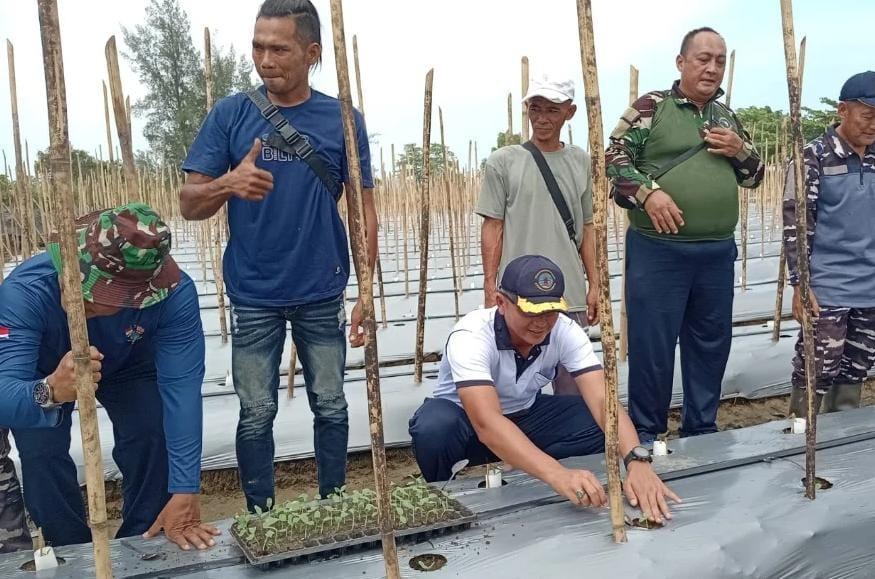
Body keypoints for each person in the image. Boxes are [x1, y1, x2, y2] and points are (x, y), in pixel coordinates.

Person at [180, 0, 377, 511]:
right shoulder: (230, 115)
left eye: (279, 49)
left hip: (321, 287)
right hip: (253, 293)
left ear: (311, 53)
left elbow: (363, 212)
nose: (265, 60)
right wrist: (227, 183)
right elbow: (189, 203)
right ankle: (260, 514)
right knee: (255, 412)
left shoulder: (342, 119)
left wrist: (367, 290)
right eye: (258, 47)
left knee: (331, 404)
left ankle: (334, 504)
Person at [2, 203, 218, 550]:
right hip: (44, 372)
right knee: (41, 452)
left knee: (151, 431)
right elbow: (5, 393)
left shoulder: (173, 296)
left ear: (139, 296)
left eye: (99, 292)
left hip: (129, 362)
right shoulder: (24, 293)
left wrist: (185, 489)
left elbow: (182, 391)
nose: (76, 291)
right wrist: (50, 391)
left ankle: (141, 543)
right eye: (76, 275)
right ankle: (70, 550)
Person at [409, 255, 681, 524]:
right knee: (434, 427)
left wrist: (636, 460)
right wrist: (557, 474)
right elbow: (487, 423)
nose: (541, 322)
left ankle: (531, 465)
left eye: (550, 312)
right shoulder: (471, 336)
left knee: (601, 422)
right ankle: (440, 496)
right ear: (501, 303)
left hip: (526, 415)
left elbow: (603, 401)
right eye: (530, 312)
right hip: (467, 426)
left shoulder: (565, 331)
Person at [605, 27, 765, 443]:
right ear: (681, 62)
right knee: (653, 343)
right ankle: (646, 432)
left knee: (711, 342)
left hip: (716, 252)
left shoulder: (727, 117)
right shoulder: (652, 107)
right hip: (659, 251)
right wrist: (649, 193)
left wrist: (739, 150)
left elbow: (755, 177)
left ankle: (702, 428)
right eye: (703, 59)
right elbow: (613, 158)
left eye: (720, 61)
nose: (712, 68)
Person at [784, 71, 875, 415]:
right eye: (867, 115)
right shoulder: (813, 158)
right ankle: (801, 434)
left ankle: (843, 437)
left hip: (873, 286)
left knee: (856, 369)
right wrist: (800, 284)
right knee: (816, 368)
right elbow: (797, 226)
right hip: (827, 287)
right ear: (843, 110)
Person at [477, 73, 598, 395]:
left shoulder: (580, 161)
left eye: (552, 110)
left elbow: (587, 227)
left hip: (567, 294)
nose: (542, 119)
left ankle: (571, 428)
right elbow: (493, 225)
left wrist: (595, 284)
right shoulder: (503, 162)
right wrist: (490, 285)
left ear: (570, 112)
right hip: (517, 296)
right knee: (509, 385)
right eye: (535, 109)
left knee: (573, 386)